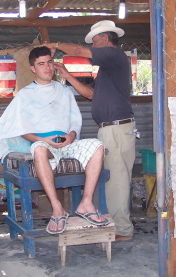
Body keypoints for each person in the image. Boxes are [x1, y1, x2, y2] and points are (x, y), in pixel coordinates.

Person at [0, 46, 109, 235]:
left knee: (97, 146)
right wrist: (43, 139)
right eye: (41, 64)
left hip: (67, 143)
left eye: (49, 62)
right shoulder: (26, 94)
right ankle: (57, 208)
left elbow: (75, 121)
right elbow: (21, 129)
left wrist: (71, 136)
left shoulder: (64, 91)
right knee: (39, 149)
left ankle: (86, 203)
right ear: (33, 68)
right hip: (44, 144)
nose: (47, 68)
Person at [43, 20, 136, 241]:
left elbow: (78, 51)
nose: (93, 47)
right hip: (111, 129)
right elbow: (91, 94)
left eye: (95, 42)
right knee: (113, 179)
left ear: (105, 39)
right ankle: (115, 223)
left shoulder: (115, 56)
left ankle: (123, 229)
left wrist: (54, 44)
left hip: (116, 129)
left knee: (117, 180)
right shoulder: (108, 69)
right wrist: (67, 75)